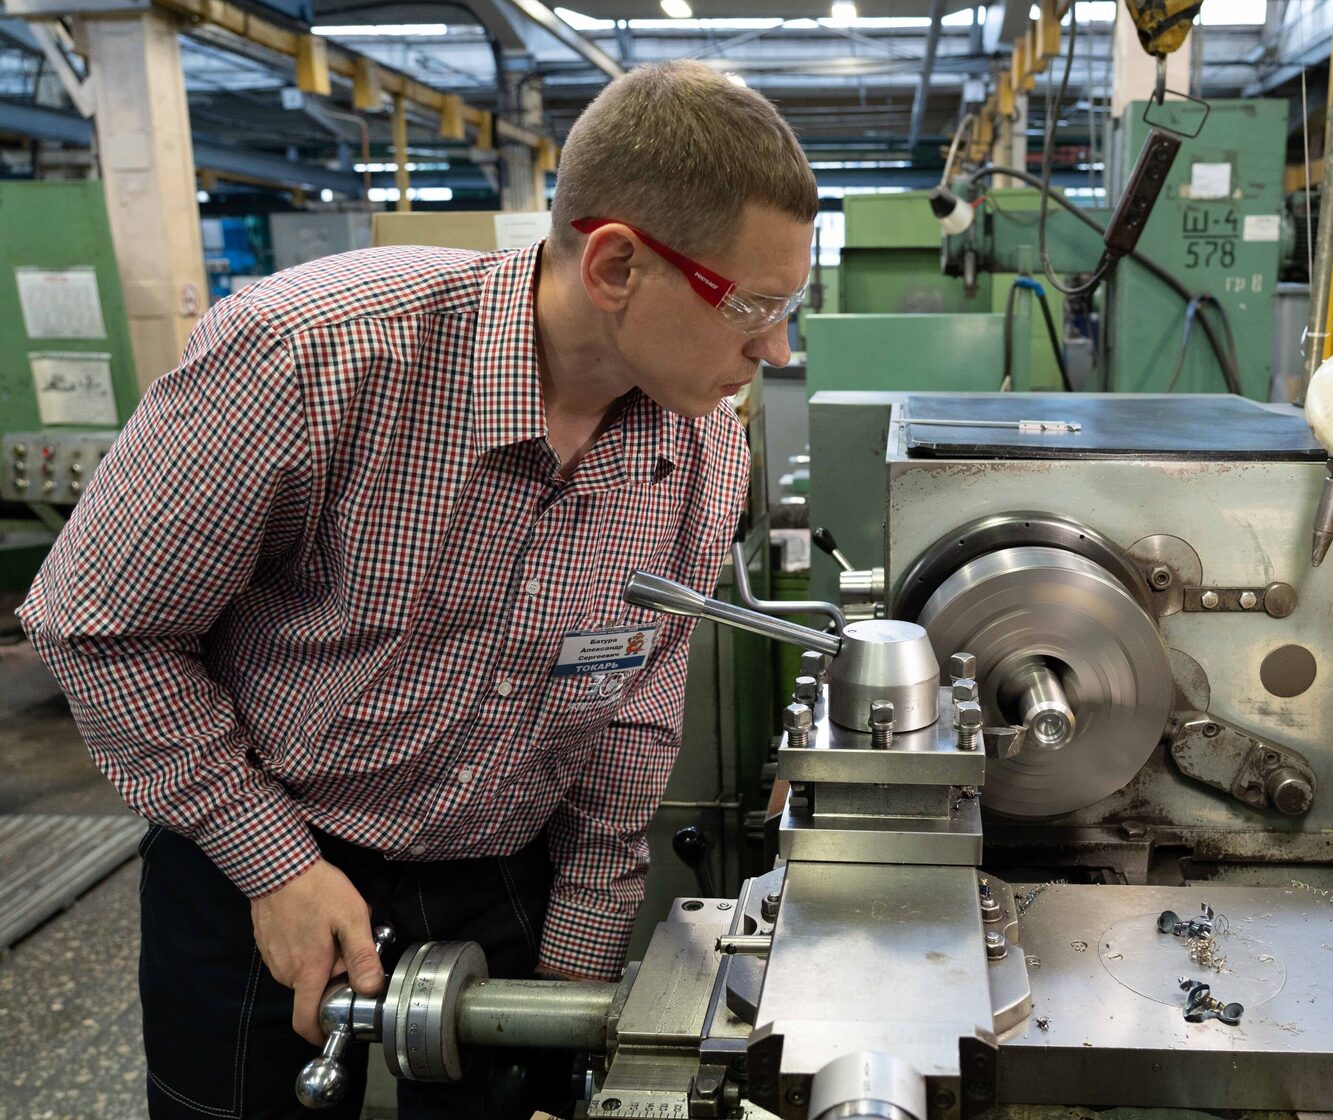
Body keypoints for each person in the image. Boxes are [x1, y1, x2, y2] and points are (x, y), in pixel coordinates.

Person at [18, 60, 816, 1119]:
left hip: (501, 868)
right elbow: (101, 626)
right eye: (754, 306)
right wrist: (274, 866)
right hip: (265, 846)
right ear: (617, 263)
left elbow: (631, 716)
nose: (777, 347)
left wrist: (575, 964)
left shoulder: (704, 447)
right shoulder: (313, 357)